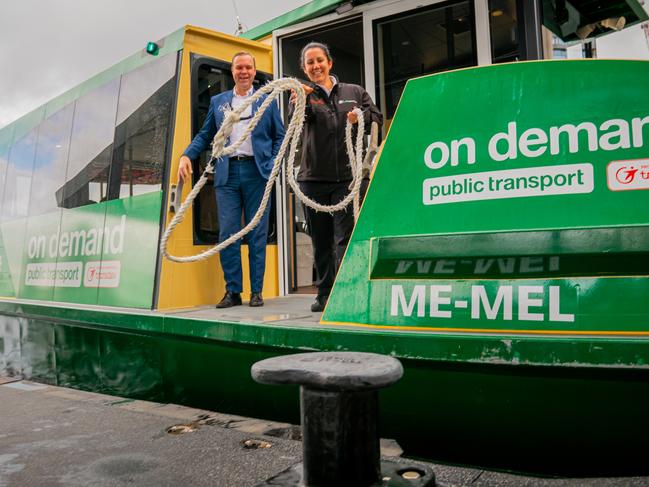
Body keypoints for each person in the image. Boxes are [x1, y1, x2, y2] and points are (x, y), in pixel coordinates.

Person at [178, 52, 285, 308]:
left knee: (257, 233)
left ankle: (256, 292)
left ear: (255, 72)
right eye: (239, 67)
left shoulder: (267, 101)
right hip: (227, 174)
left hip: (257, 173)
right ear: (232, 71)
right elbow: (205, 136)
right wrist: (186, 155)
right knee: (228, 233)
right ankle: (233, 291)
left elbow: (280, 136)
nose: (244, 71)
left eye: (248, 67)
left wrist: (272, 165)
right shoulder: (218, 102)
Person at [292, 42, 382, 312]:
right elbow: (295, 124)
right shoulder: (302, 94)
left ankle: (347, 290)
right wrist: (302, 101)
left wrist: (360, 116)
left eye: (319, 60)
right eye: (310, 63)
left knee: (345, 237)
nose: (315, 66)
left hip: (348, 178)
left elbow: (377, 116)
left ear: (329, 62)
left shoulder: (354, 91)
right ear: (304, 69)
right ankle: (324, 292)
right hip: (313, 179)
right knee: (321, 239)